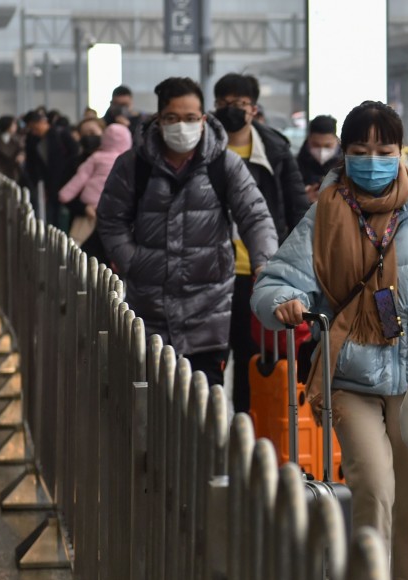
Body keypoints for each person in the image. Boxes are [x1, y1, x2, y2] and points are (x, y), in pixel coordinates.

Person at [251, 100, 408, 580]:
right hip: (350, 371)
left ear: (401, 152)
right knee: (375, 484)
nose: (372, 162)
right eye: (360, 152)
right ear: (345, 153)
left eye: (384, 151)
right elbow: (275, 281)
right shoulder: (325, 213)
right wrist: (285, 300)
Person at [98, 76, 277, 386]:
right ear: (159, 119)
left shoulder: (224, 165)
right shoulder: (134, 166)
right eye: (173, 118)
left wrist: (265, 262)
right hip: (149, 313)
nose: (182, 126)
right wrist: (134, 262)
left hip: (208, 313)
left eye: (191, 118)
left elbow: (256, 216)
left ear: (204, 119)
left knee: (204, 407)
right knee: (152, 404)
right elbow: (111, 219)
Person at [213, 72, 310, 413]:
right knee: (212, 358)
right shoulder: (205, 149)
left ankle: (246, 432)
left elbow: (299, 210)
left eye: (239, 104)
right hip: (212, 274)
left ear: (253, 109)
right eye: (225, 104)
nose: (232, 110)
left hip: (259, 274)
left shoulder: (276, 150)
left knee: (251, 358)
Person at [58, 123, 131, 262]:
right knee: (82, 251)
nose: (89, 137)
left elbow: (78, 180)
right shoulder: (127, 160)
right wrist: (84, 208)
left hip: (114, 218)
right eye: (85, 133)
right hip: (87, 214)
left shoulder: (98, 158)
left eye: (93, 132)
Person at [23, 109, 80, 230]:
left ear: (42, 123)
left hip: (66, 180)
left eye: (35, 128)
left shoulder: (61, 134)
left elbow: (75, 154)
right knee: (52, 215)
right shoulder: (33, 140)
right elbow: (31, 163)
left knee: (63, 214)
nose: (34, 132)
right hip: (48, 184)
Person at [297, 114, 343, 203]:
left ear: (336, 140)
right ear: (309, 140)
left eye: (327, 146)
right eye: (316, 145)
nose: (322, 151)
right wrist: (303, 199)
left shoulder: (346, 164)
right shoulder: (296, 165)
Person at [0, 115, 24, 182]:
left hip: (15, 173)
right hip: (1, 173)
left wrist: (22, 155)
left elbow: (22, 151)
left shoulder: (17, 140)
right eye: (13, 124)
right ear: (7, 126)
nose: (16, 126)